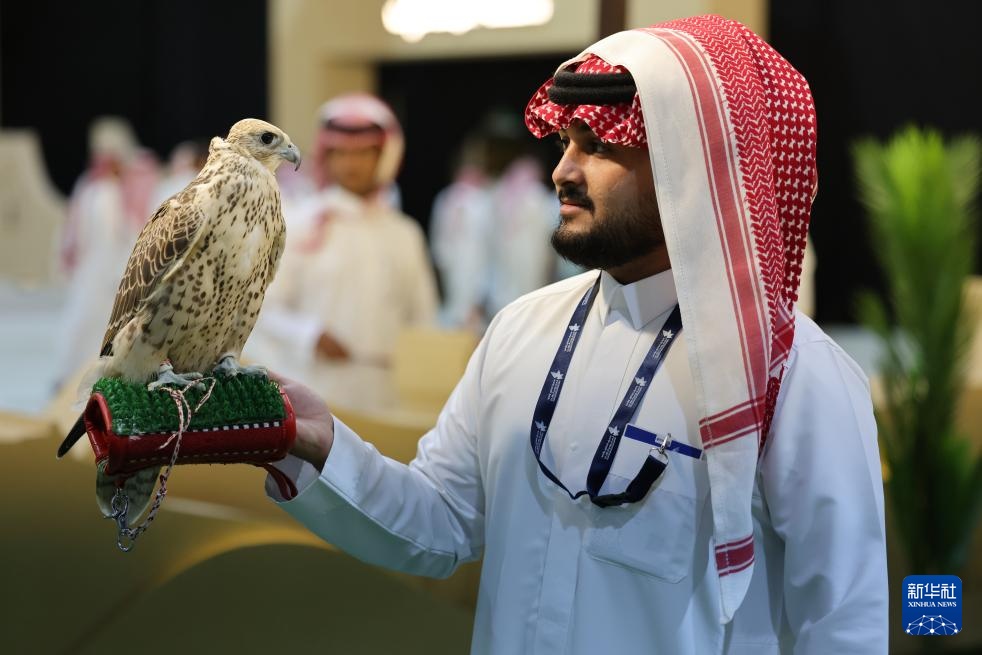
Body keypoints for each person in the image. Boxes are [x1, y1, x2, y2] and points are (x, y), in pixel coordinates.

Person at [265, 16, 888, 654]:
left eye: (600, 145)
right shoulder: (521, 330)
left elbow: (843, 627)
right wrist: (317, 445)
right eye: (565, 141)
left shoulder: (792, 374)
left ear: (692, 164)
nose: (563, 170)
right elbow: (440, 522)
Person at [252, 94, 438, 409]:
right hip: (314, 397)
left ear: (385, 155)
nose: (351, 164)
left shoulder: (404, 233)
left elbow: (423, 319)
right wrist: (310, 335)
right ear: (327, 156)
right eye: (341, 153)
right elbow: (262, 310)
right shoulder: (297, 224)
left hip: (386, 398)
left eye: (363, 153)